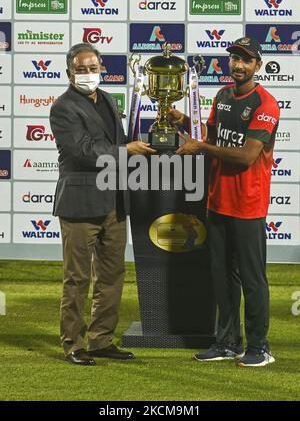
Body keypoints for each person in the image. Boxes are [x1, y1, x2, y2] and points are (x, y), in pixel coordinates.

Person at [169, 37, 280, 367]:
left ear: (257, 65)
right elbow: (213, 137)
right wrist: (182, 122)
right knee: (223, 277)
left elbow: (246, 156)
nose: (238, 65)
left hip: (248, 205)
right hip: (218, 202)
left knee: (252, 279)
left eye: (246, 60)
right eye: (234, 58)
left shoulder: (265, 104)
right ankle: (228, 342)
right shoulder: (221, 96)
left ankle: (259, 346)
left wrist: (201, 148)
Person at [50, 43, 155, 366]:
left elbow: (115, 142)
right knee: (77, 278)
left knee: (112, 275)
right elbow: (84, 151)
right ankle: (74, 344)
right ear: (69, 72)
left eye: (92, 67)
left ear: (101, 68)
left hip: (114, 202)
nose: (88, 74)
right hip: (80, 204)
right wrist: (126, 152)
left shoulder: (108, 99)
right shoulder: (63, 107)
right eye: (81, 69)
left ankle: (101, 340)